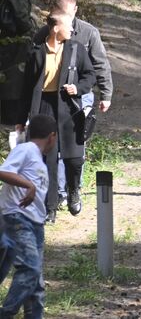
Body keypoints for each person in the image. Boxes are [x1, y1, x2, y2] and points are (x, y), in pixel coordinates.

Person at [24, 15, 95, 218]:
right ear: (55, 28)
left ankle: (73, 191)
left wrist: (78, 88)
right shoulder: (37, 52)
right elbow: (26, 87)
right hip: (44, 108)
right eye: (68, 26)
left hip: (69, 106)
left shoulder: (76, 49)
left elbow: (89, 75)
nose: (72, 30)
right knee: (50, 160)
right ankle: (50, 208)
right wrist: (22, 119)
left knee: (74, 159)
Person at [0, 114, 58, 318]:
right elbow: (3, 171)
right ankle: (6, 313)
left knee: (36, 283)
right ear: (52, 136)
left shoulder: (38, 160)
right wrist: (28, 185)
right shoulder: (26, 150)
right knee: (30, 269)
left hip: (35, 224)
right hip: (18, 219)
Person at [1, 0, 40, 129]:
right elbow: (21, 15)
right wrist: (31, 30)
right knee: (14, 79)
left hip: (6, 38)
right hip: (14, 40)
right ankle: (11, 119)